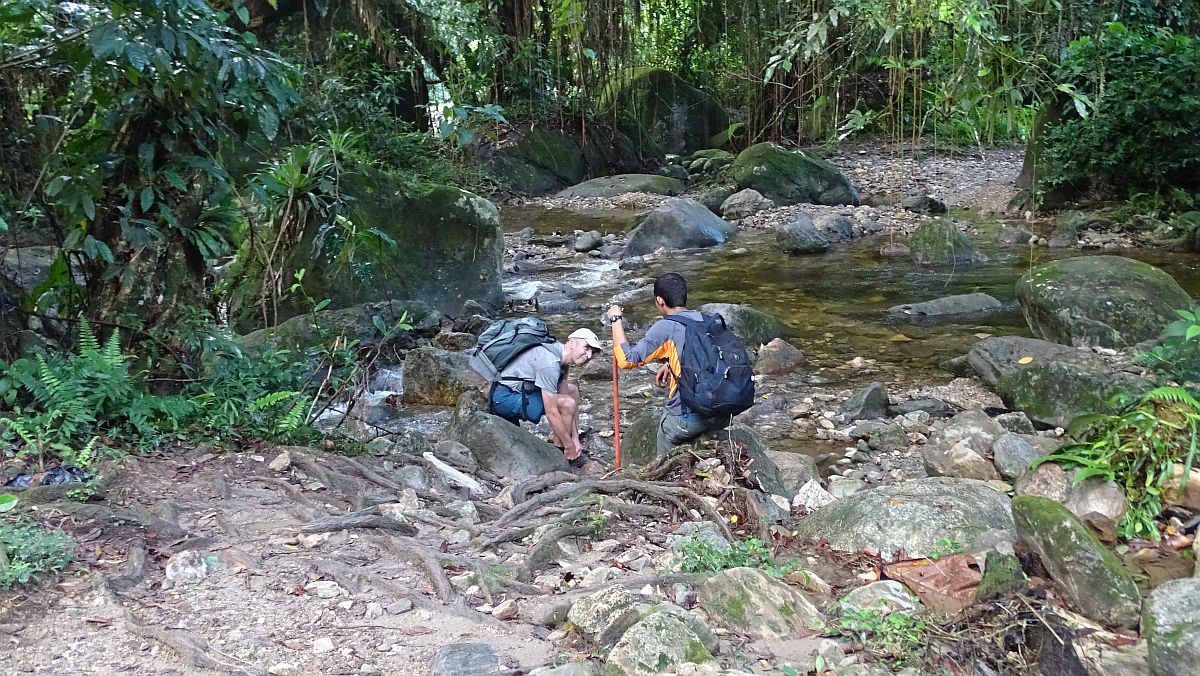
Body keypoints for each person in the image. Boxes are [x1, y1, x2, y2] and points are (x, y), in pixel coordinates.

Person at [607, 273, 731, 454]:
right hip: (723, 411)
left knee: (665, 432)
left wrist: (615, 320)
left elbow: (627, 360)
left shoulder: (666, 326)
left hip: (691, 416)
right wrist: (670, 364)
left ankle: (667, 476)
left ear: (660, 301)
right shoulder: (705, 320)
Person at [488, 327, 602, 465]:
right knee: (566, 404)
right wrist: (569, 445)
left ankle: (565, 445)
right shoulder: (551, 363)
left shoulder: (563, 359)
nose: (589, 355)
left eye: (593, 352)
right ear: (572, 343)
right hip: (503, 398)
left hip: (520, 392)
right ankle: (562, 452)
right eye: (586, 348)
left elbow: (566, 396)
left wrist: (575, 439)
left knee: (572, 391)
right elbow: (552, 412)